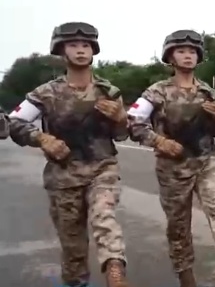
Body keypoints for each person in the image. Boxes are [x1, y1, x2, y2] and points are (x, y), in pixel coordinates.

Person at [7, 22, 130, 287]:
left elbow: (121, 135)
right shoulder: (44, 93)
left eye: (86, 45)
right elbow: (15, 123)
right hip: (63, 177)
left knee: (104, 215)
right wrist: (41, 138)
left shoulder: (108, 91)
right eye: (73, 45)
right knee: (73, 251)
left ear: (93, 50)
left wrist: (121, 118)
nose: (81, 50)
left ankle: (115, 268)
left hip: (102, 169)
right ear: (62, 51)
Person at [126, 30, 215, 286]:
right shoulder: (157, 91)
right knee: (179, 224)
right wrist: (159, 141)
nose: (187, 56)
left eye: (192, 51)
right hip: (172, 168)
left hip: (206, 161)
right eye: (181, 51)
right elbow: (134, 123)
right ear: (170, 57)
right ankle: (185, 273)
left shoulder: (207, 92)